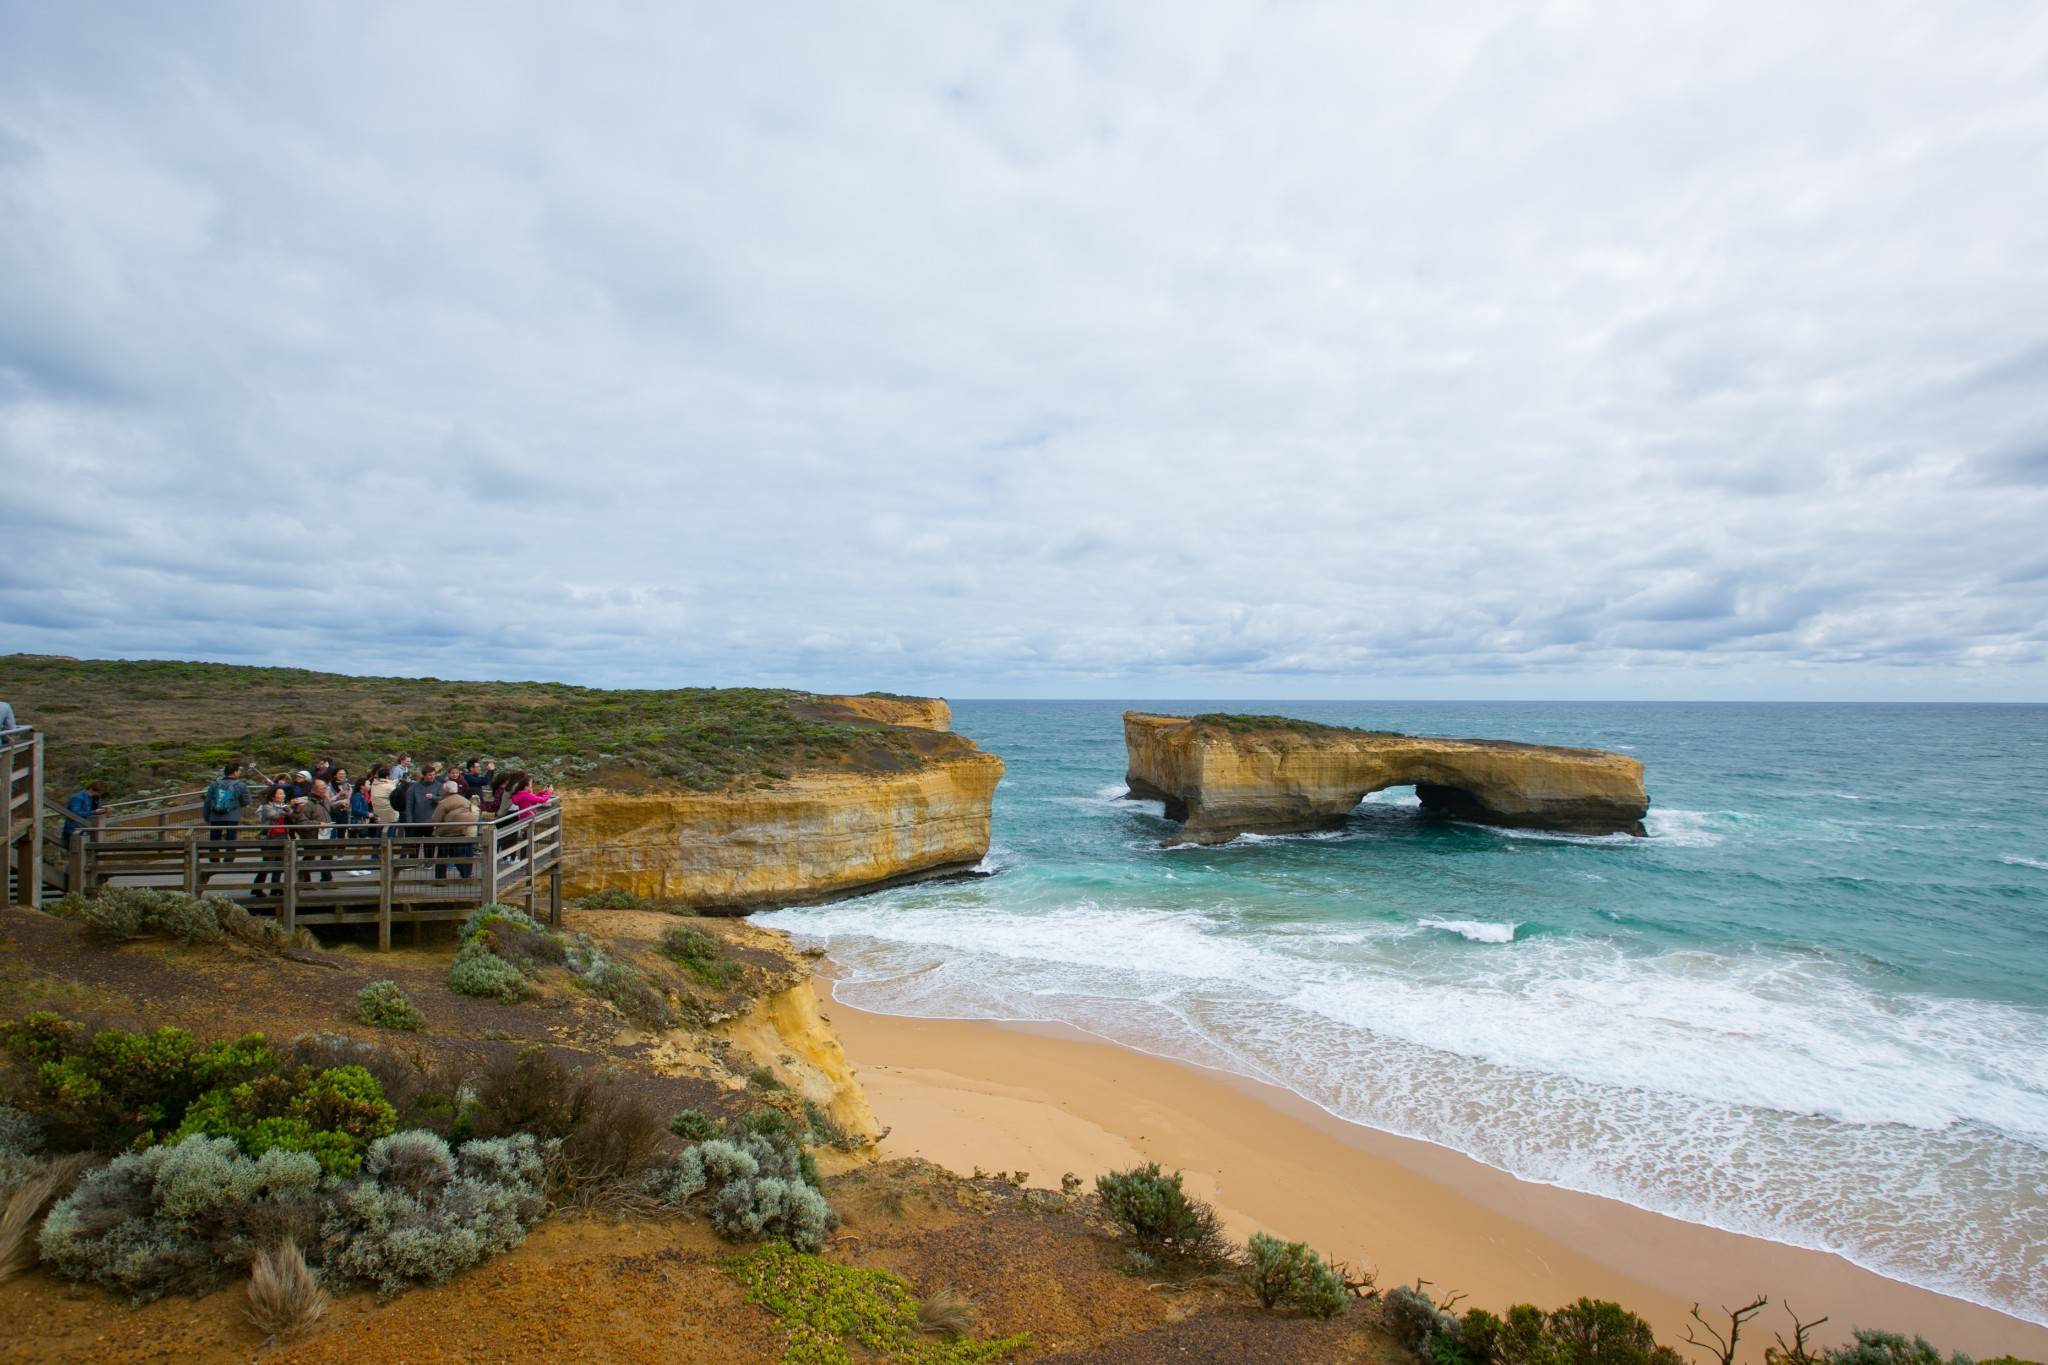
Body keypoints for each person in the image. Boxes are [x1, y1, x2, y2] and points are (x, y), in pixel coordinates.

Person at [202, 761, 252, 870]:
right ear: (235, 773)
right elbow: (247, 801)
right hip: (232, 815)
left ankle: (214, 861)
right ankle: (228, 861)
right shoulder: (241, 785)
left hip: (215, 815)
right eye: (238, 771)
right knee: (231, 838)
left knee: (214, 839)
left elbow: (207, 801)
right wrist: (236, 804)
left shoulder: (215, 784)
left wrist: (207, 817)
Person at [432, 779, 479, 881]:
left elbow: (436, 819)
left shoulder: (443, 803)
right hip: (461, 831)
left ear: (445, 791)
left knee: (442, 856)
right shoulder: (464, 800)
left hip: (446, 833)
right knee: (459, 855)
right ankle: (466, 875)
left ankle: (440, 878)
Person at [291, 780, 335, 883]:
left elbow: (328, 810)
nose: (325, 790)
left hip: (324, 834)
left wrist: (339, 806)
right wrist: (318, 824)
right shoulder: (307, 803)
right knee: (310, 856)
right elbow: (302, 822)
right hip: (311, 835)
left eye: (325, 788)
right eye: (322, 788)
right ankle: (304, 879)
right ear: (313, 790)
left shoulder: (324, 800)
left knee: (327, 855)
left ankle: (327, 879)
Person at [253, 784, 291, 896]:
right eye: (280, 793)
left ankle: (276, 887)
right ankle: (257, 886)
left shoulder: (285, 806)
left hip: (282, 835)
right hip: (269, 836)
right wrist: (285, 809)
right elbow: (274, 816)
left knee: (280, 863)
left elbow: (292, 815)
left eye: (283, 793)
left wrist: (294, 808)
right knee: (268, 863)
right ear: (273, 796)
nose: (282, 796)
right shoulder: (267, 806)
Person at [403, 762, 444, 840]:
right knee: (415, 844)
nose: (432, 777)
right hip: (417, 820)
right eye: (430, 775)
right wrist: (409, 821)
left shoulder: (439, 785)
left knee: (429, 845)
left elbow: (442, 800)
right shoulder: (415, 786)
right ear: (424, 775)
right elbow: (409, 803)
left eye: (433, 775)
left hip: (431, 820)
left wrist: (433, 797)